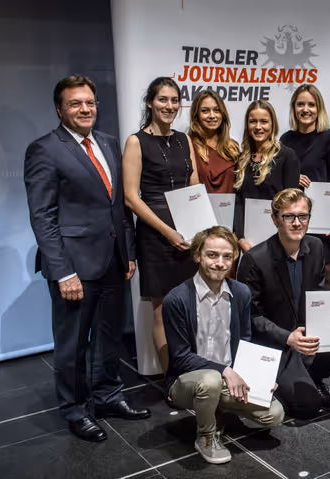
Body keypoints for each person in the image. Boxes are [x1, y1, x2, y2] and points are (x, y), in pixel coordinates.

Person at [25, 76, 150, 442]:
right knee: (73, 346)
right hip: (74, 267)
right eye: (75, 103)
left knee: (109, 338)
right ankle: (76, 410)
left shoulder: (108, 143)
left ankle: (108, 396)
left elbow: (118, 206)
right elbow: (43, 217)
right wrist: (63, 272)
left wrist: (128, 252)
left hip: (112, 261)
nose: (85, 109)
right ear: (60, 109)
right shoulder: (44, 149)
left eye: (89, 102)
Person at [163, 226, 284, 464]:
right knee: (210, 380)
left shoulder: (241, 293)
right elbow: (180, 356)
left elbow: (245, 342)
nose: (220, 263)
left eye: (227, 257)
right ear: (197, 256)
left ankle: (217, 408)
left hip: (228, 378)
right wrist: (225, 371)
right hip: (187, 381)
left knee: (275, 414)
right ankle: (206, 436)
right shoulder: (176, 299)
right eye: (212, 255)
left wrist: (261, 377)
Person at [237, 188, 330, 418]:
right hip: (274, 343)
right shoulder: (254, 259)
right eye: (289, 216)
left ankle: (314, 379)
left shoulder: (315, 247)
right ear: (275, 219)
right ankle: (276, 382)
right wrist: (287, 338)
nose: (297, 223)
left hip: (303, 332)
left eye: (303, 216)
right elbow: (250, 317)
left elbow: (318, 294)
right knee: (307, 406)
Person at [123, 77, 200, 374]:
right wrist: (167, 232)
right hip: (156, 235)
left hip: (189, 232)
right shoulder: (136, 141)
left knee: (192, 305)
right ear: (150, 103)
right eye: (162, 99)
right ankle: (173, 380)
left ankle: (195, 372)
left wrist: (201, 229)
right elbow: (131, 198)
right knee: (163, 309)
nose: (169, 106)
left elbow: (194, 187)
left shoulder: (184, 139)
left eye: (174, 100)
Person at [280, 85, 330, 278]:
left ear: (319, 108)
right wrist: (293, 177)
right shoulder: (285, 139)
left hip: (321, 222)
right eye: (300, 104)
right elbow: (278, 182)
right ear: (294, 108)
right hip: (292, 220)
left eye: (311, 105)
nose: (305, 109)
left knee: (319, 278)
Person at [232, 100, 300, 252]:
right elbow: (238, 203)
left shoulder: (287, 156)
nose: (258, 127)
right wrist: (240, 238)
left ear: (272, 124)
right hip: (246, 242)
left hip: (277, 240)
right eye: (253, 121)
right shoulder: (242, 159)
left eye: (264, 121)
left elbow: (292, 205)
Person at [188, 90, 239, 194]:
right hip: (200, 204)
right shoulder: (189, 146)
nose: (212, 115)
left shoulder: (232, 147)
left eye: (217, 110)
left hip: (229, 204)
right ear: (196, 115)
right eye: (205, 111)